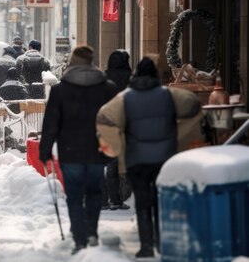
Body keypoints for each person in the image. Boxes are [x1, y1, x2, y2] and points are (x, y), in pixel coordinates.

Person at [96, 57, 203, 258]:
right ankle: (161, 241)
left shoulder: (124, 98)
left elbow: (104, 117)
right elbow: (193, 105)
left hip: (137, 159)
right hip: (164, 159)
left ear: (135, 74)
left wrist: (117, 146)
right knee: (160, 200)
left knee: (143, 201)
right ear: (154, 74)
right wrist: (180, 134)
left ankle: (146, 245)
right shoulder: (169, 95)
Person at [39, 46, 118, 254]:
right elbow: (115, 120)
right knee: (94, 191)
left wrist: (45, 151)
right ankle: (91, 231)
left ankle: (80, 239)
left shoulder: (59, 90)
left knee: (74, 195)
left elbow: (51, 125)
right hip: (97, 150)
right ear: (92, 62)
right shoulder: (107, 88)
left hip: (69, 150)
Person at [102, 50, 133, 211]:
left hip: (106, 122)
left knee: (103, 161)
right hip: (125, 122)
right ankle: (116, 198)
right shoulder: (130, 78)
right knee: (116, 163)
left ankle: (103, 200)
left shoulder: (104, 78)